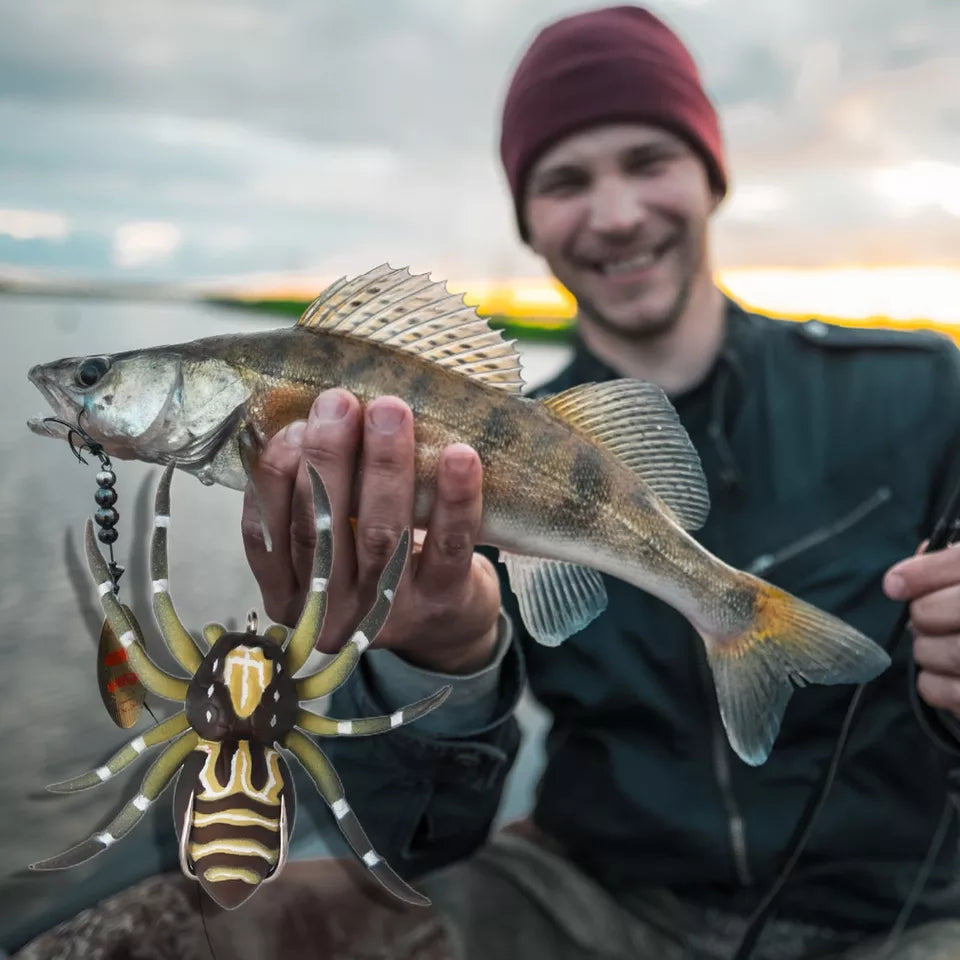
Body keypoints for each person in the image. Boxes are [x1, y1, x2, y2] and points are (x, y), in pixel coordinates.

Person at [21, 6, 958, 960]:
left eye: (648, 160)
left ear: (711, 175)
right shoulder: (516, 433)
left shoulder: (924, 391)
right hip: (587, 892)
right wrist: (439, 657)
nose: (616, 212)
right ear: (529, 220)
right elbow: (418, 833)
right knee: (171, 932)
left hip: (906, 907)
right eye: (565, 181)